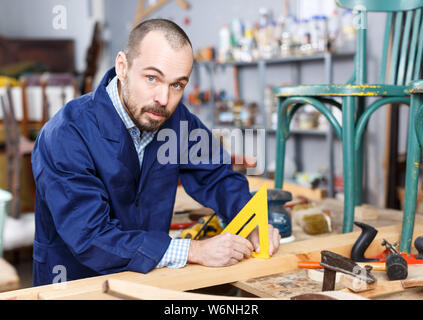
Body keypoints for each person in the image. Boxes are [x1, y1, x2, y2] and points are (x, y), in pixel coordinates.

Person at [31, 19, 281, 286]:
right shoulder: (66, 134)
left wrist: (251, 221)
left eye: (177, 85)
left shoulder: (175, 121)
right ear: (122, 67)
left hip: (147, 279)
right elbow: (90, 237)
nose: (163, 99)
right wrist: (194, 250)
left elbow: (217, 178)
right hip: (75, 284)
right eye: (152, 78)